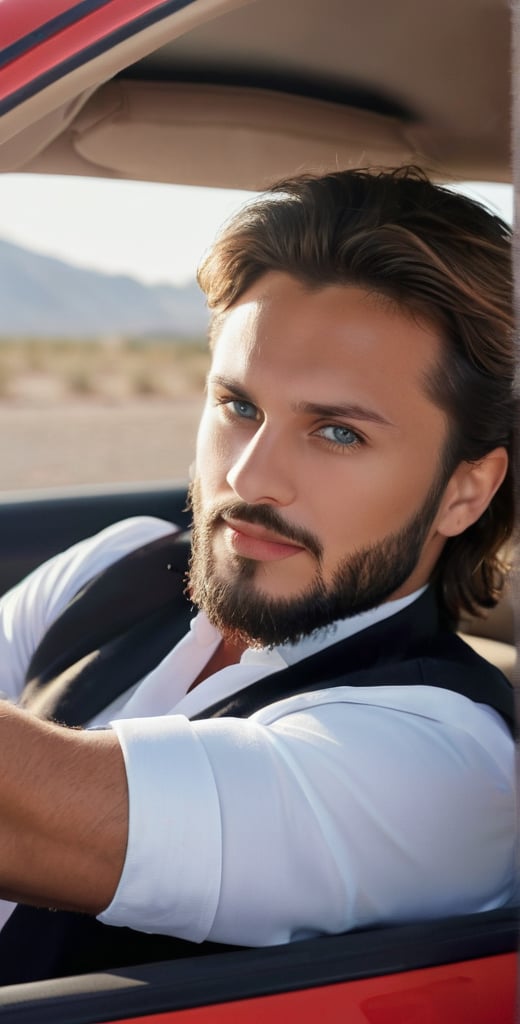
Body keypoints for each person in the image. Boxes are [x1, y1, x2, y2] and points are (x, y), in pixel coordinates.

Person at [0, 166, 514, 983]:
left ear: (464, 490)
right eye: (240, 405)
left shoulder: (450, 770)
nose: (251, 476)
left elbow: (26, 817)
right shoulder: (117, 566)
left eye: (338, 433)